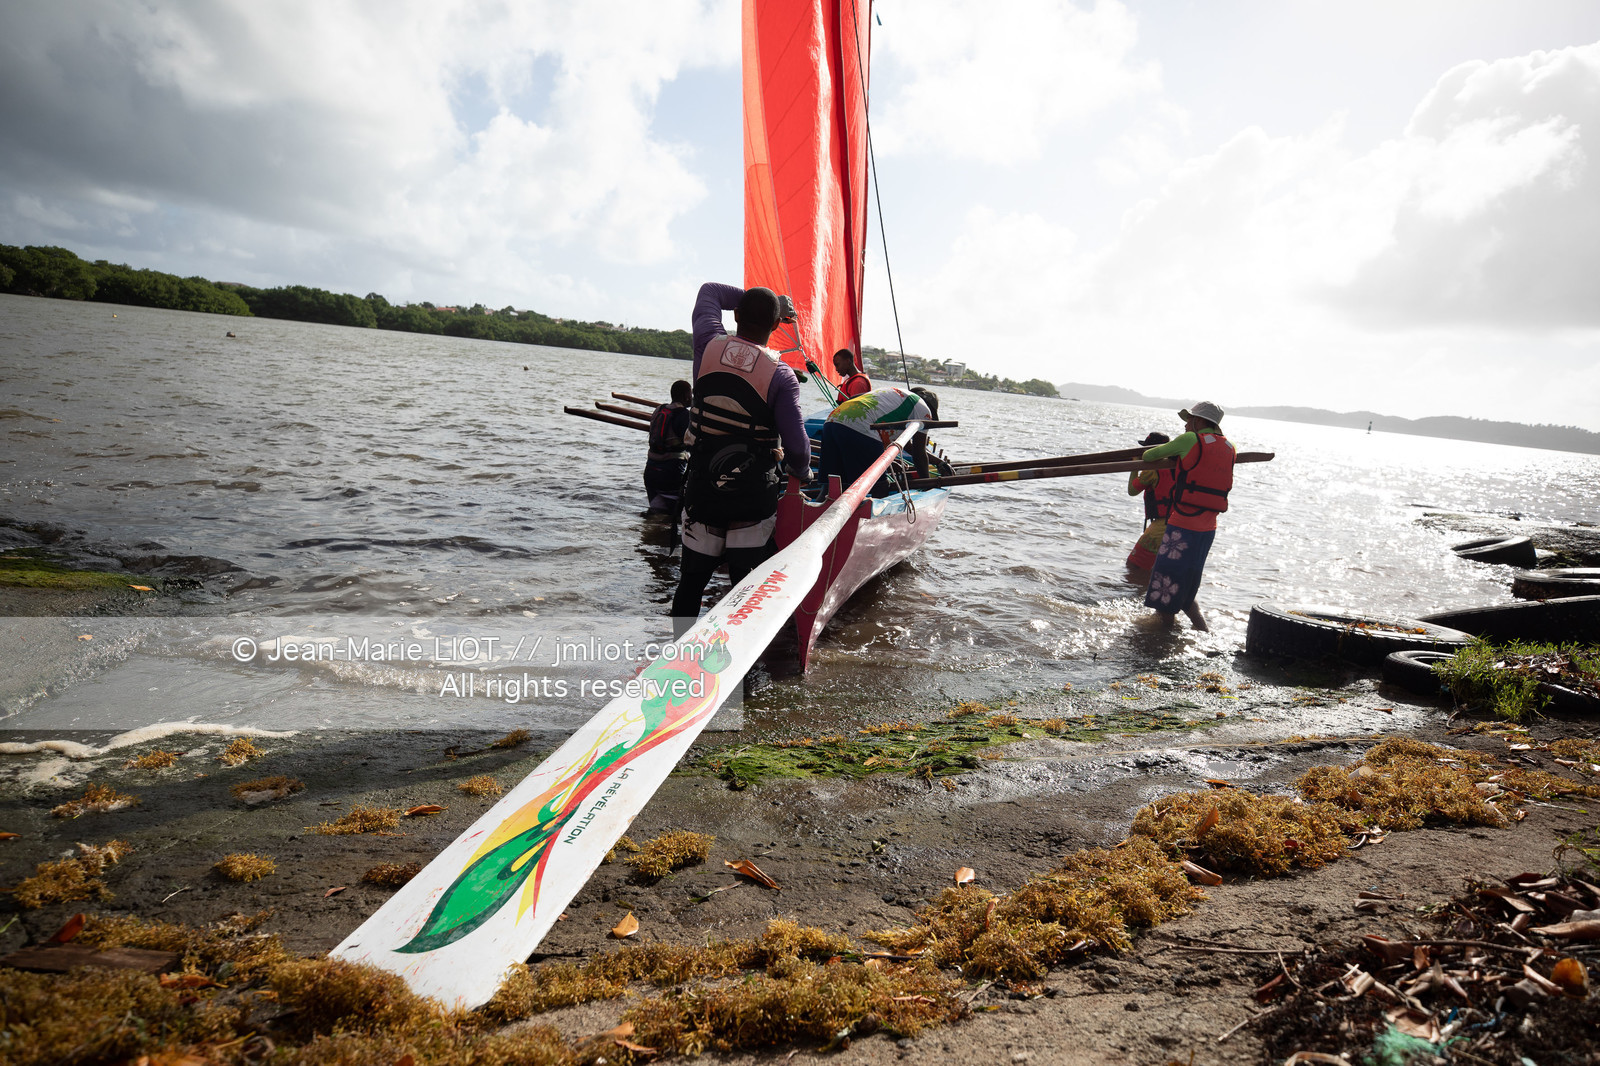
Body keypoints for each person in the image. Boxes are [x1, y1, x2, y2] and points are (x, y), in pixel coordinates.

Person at [671, 282, 812, 631]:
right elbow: (797, 447)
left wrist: (769, 301)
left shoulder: (707, 344)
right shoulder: (782, 375)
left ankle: (677, 653)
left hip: (704, 486)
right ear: (776, 325)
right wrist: (802, 469)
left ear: (735, 316)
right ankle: (737, 658)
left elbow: (709, 292)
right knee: (744, 590)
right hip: (752, 496)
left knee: (691, 583)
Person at [1139, 401, 1235, 631]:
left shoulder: (1190, 439)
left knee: (1165, 587)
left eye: (1189, 420)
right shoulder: (1230, 446)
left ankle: (1161, 638)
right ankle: (1202, 630)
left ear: (1199, 421)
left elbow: (1150, 455)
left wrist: (1176, 455)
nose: (1185, 425)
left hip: (1182, 527)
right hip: (1207, 531)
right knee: (1185, 585)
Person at [817, 384, 934, 498]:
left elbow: (907, 446)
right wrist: (927, 485)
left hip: (833, 420)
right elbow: (919, 452)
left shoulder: (895, 393)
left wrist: (938, 462)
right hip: (860, 424)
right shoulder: (924, 409)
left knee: (830, 487)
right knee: (880, 486)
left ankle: (818, 506)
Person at [1124, 431, 1172, 570]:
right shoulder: (1178, 463)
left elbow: (1132, 491)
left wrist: (1135, 466)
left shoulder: (1152, 470)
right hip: (1179, 522)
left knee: (1134, 565)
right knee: (1157, 568)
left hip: (1161, 525)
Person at [643, 379, 692, 513]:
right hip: (670, 473)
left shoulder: (659, 409)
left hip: (650, 471)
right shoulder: (684, 415)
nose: (692, 397)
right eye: (690, 394)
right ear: (686, 396)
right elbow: (692, 444)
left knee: (657, 513)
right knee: (675, 515)